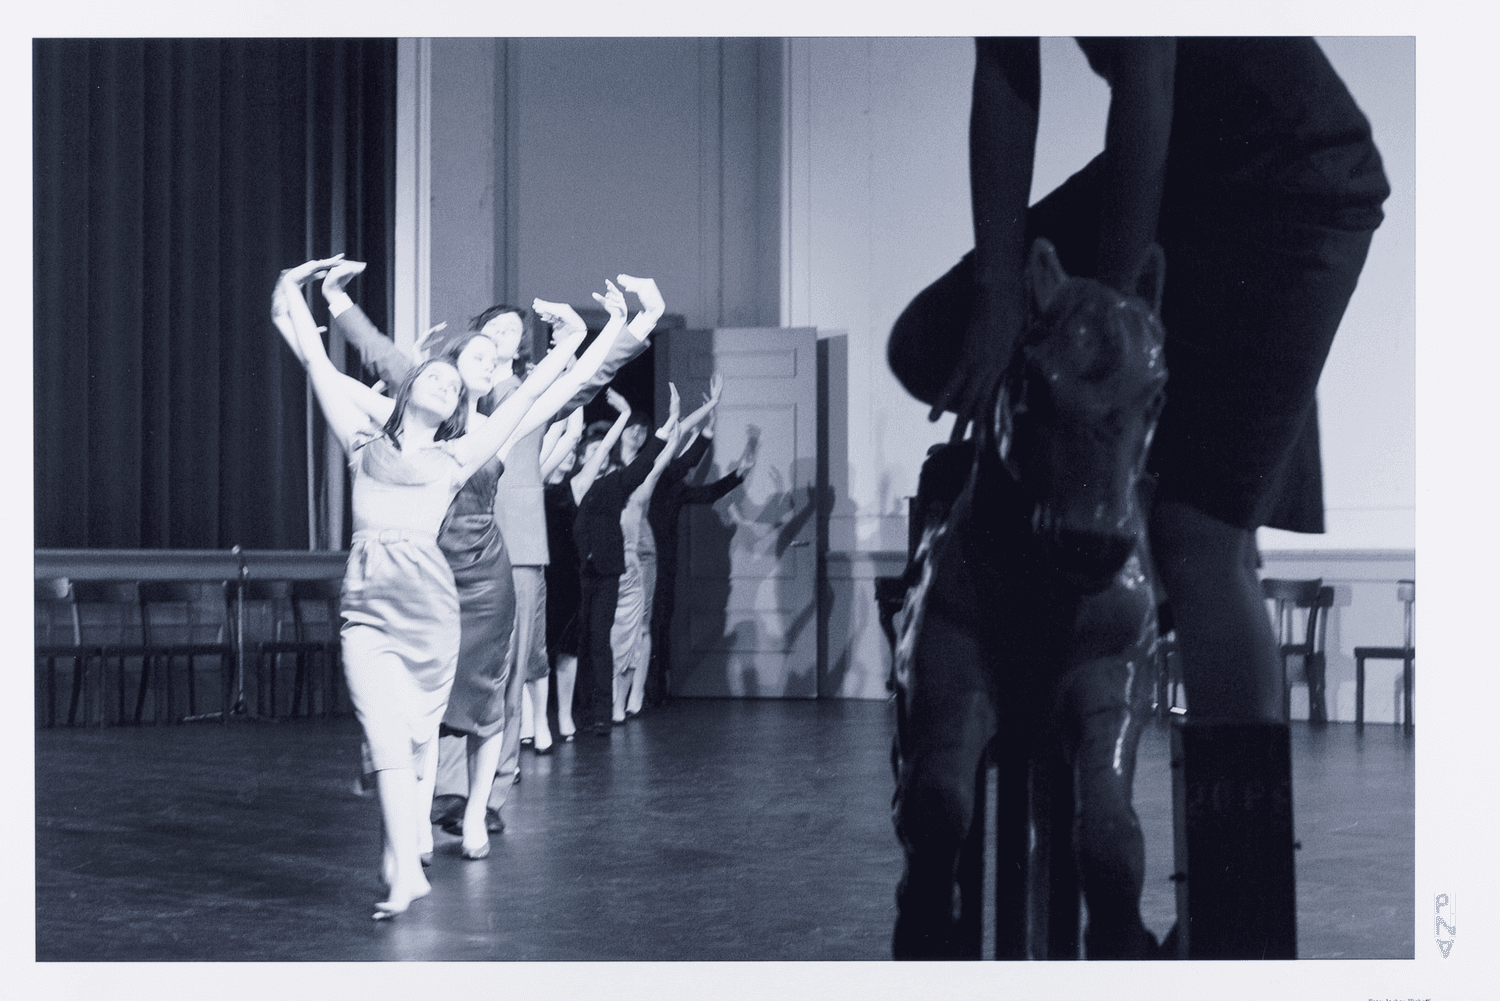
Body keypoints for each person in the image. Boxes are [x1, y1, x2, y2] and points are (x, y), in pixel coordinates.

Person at [886, 37, 1389, 958]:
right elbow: (1006, 67)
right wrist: (997, 291)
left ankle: (1234, 917)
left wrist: (1111, 321)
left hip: (1293, 180)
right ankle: (1032, 754)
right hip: (1193, 157)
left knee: (1200, 540)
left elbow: (1147, 71)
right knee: (930, 339)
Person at [268, 255, 594, 918]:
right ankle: (403, 865)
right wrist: (291, 291)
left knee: (412, 741)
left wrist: (568, 346)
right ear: (409, 385)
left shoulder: (458, 455)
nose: (447, 384)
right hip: (366, 608)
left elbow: (527, 401)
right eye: (438, 375)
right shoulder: (361, 441)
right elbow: (314, 359)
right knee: (383, 734)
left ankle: (402, 865)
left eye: (454, 385)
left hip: (429, 609)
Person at [610, 378, 724, 719]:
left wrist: (709, 406)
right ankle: (612, 697)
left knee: (643, 626)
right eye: (632, 427)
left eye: (642, 428)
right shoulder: (605, 461)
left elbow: (677, 432)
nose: (637, 433)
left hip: (641, 547)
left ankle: (635, 695)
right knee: (613, 628)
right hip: (608, 546)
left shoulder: (649, 462)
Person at [641, 385, 757, 710]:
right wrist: (706, 425)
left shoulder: (671, 484)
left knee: (660, 624)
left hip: (663, 564)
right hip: (636, 563)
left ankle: (654, 690)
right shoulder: (644, 474)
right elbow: (685, 456)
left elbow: (705, 491)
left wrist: (738, 474)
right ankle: (635, 693)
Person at [573, 386, 681, 736]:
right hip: (578, 574)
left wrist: (667, 428)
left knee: (608, 642)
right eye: (591, 452)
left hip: (612, 572)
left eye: (601, 453)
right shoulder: (573, 485)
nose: (598, 456)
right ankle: (586, 708)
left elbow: (648, 465)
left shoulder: (613, 486)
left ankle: (607, 710)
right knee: (581, 645)